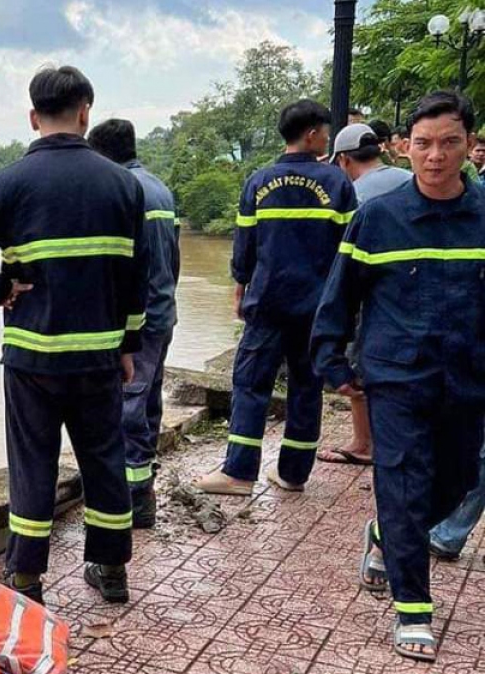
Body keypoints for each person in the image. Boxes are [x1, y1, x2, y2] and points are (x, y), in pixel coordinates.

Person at [0, 66, 149, 606]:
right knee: (104, 460)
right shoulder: (123, 185)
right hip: (99, 356)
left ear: (34, 118)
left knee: (33, 464)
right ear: (85, 113)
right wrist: (129, 345)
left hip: (33, 357)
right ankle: (112, 571)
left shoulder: (11, 182)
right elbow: (136, 275)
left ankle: (26, 578)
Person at [312, 91, 485, 662]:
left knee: (459, 480)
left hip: (468, 376)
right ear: (401, 147)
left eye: (449, 142)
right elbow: (341, 293)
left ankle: (386, 535)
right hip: (397, 376)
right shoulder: (378, 219)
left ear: (469, 145)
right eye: (423, 143)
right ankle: (413, 607)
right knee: (405, 484)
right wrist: (332, 359)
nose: (435, 156)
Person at [195, 100, 357, 496]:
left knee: (251, 384)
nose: (327, 138)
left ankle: (238, 473)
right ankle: (293, 474)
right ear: (312, 134)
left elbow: (245, 245)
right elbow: (350, 249)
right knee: (306, 387)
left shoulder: (259, 182)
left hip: (268, 303)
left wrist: (240, 286)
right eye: (325, 131)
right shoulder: (338, 184)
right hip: (316, 307)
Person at [87, 119, 179, 530]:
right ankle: (143, 488)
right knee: (148, 404)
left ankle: (134, 501)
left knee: (127, 410)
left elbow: (118, 267)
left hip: (137, 322)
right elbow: (173, 259)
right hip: (163, 313)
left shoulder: (120, 192)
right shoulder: (160, 189)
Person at [316, 124, 412, 467]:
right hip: (415, 291)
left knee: (359, 366)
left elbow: (343, 256)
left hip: (373, 293)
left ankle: (364, 444)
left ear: (343, 160)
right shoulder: (409, 180)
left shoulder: (354, 195)